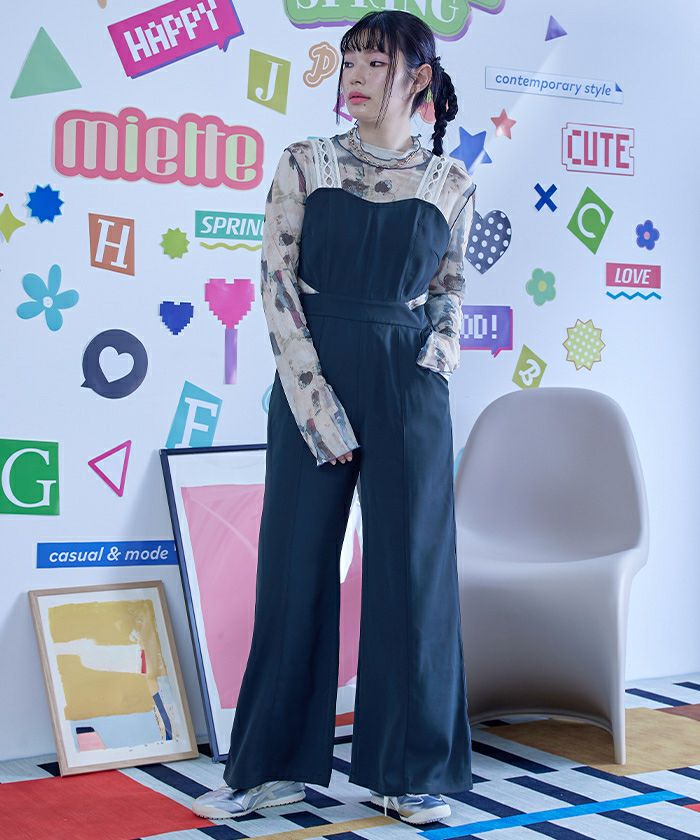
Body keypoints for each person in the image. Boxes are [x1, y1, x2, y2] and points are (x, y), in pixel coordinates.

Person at [192, 9, 476, 827]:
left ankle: (406, 771)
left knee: (412, 576)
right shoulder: (305, 162)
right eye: (348, 60)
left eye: (375, 63)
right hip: (315, 375)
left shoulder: (449, 183)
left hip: (410, 385)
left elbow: (449, 287)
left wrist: (440, 355)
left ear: (418, 79)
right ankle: (271, 768)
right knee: (293, 566)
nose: (354, 75)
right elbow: (276, 283)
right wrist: (313, 397)